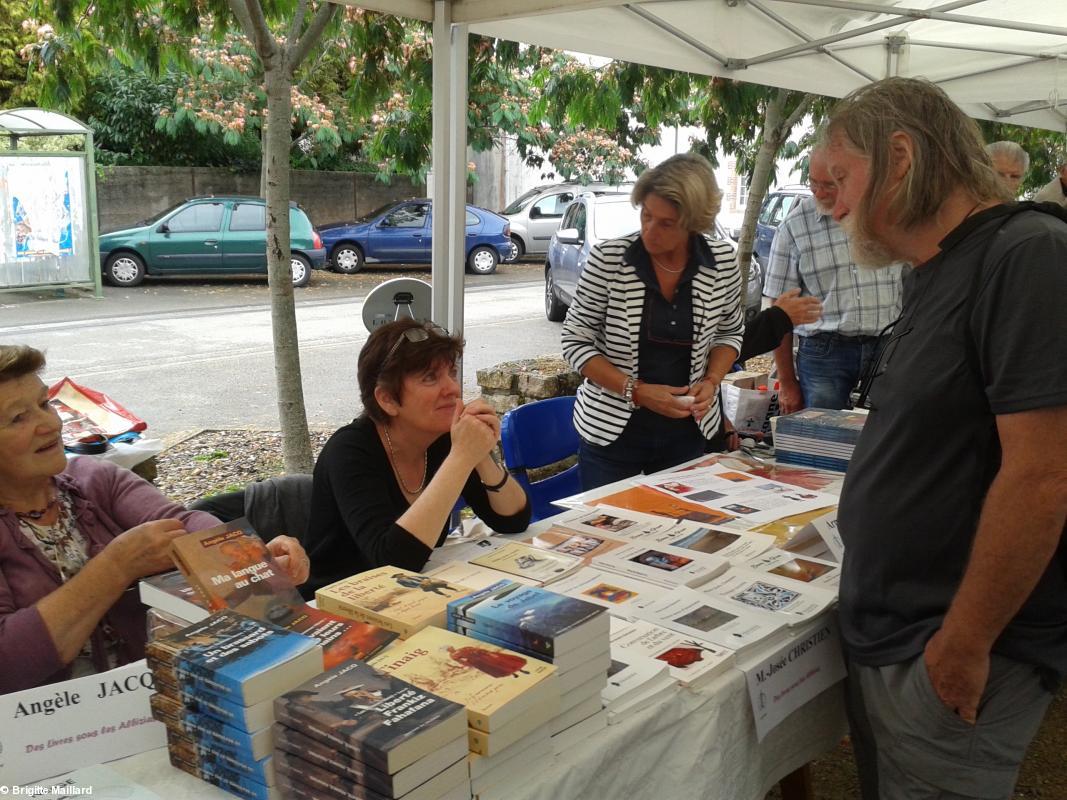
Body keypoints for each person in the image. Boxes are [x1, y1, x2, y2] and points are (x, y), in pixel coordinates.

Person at [825, 77, 1067, 800]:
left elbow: (1042, 477)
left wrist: (962, 645)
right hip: (897, 631)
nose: (833, 201)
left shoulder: (1028, 255)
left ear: (899, 157)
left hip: (949, 644)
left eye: (841, 177)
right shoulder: (935, 269)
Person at [0, 344, 311, 694]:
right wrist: (115, 567)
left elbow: (181, 523)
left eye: (44, 404)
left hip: (150, 700)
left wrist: (253, 558)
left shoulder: (95, 481)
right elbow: (7, 665)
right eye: (17, 418)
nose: (49, 424)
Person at [302, 320, 530, 598]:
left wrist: (480, 454)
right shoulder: (349, 450)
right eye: (429, 378)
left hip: (413, 593)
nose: (453, 388)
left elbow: (513, 521)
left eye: (452, 372)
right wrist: (461, 457)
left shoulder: (442, 438)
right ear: (387, 399)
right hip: (341, 602)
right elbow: (393, 562)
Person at [561, 152, 744, 490]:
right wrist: (637, 392)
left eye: (666, 223)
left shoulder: (722, 263)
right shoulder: (609, 260)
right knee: (608, 535)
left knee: (681, 529)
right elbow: (574, 341)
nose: (649, 231)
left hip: (689, 431)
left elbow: (730, 333)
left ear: (694, 224)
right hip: (611, 435)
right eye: (646, 215)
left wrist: (713, 380)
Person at [763, 146, 905, 413]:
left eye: (828, 184)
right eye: (813, 183)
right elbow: (778, 313)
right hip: (824, 352)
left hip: (886, 347)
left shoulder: (888, 215)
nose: (818, 192)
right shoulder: (794, 227)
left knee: (885, 439)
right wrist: (787, 382)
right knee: (821, 440)